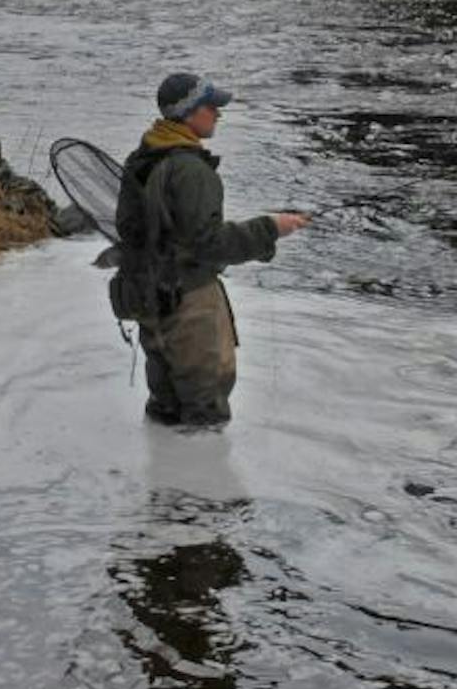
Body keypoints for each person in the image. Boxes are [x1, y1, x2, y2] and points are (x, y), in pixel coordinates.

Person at [112, 70, 309, 427]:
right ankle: (199, 481)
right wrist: (271, 228)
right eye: (211, 106)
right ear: (189, 113)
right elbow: (209, 245)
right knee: (206, 408)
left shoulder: (142, 157)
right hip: (188, 305)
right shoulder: (191, 170)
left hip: (148, 298)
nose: (219, 113)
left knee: (165, 402)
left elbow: (132, 230)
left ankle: (161, 478)